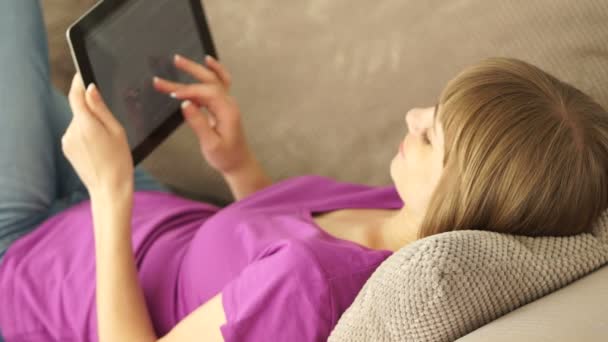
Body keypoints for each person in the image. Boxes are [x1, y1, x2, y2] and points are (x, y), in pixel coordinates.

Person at [1, 1, 608, 341]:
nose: (412, 115)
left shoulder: (308, 290)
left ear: (466, 193)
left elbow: (284, 277)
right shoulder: (402, 215)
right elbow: (267, 246)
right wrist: (236, 163)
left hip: (32, 268)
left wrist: (111, 193)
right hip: (140, 210)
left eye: (430, 134)